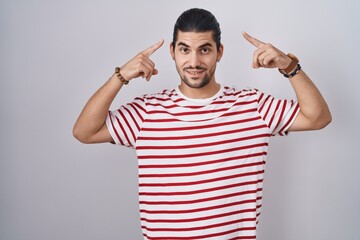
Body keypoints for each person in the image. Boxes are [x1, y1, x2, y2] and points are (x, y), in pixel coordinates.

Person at [73, 8, 331, 240]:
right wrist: (120, 76)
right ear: (172, 52)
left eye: (204, 49)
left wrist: (288, 65)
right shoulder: (146, 111)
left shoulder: (253, 106)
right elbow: (84, 131)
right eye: (185, 49)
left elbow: (318, 117)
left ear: (219, 52)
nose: (194, 62)